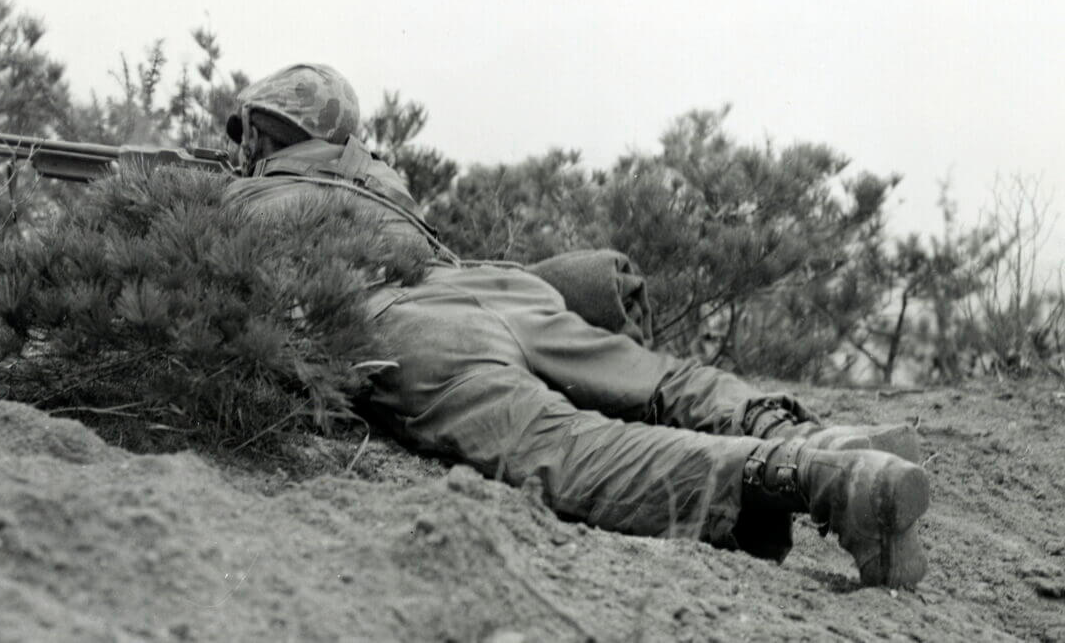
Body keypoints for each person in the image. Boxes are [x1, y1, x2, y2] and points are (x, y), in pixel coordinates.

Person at [222, 63, 931, 588]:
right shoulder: (380, 184)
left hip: (402, 321)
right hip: (491, 288)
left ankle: (817, 477)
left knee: (569, 447)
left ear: (260, 132)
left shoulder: (241, 196)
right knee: (659, 380)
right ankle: (803, 433)